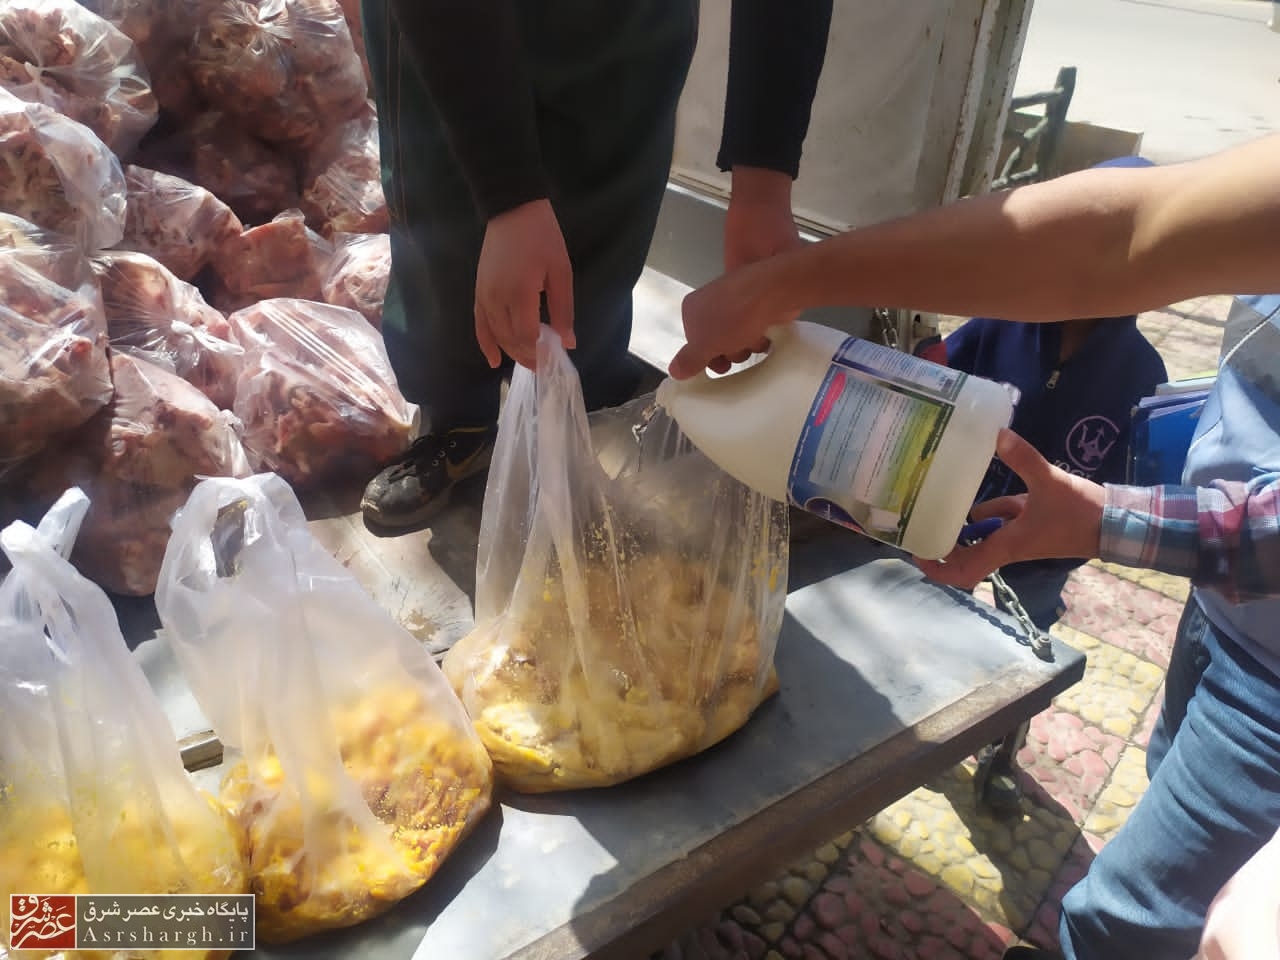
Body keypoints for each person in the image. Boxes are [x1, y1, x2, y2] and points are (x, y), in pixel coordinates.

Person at [668, 135, 1280, 960]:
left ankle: (1003, 751)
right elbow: (1108, 240)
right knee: (1170, 766)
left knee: (1125, 912)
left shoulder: (1137, 367)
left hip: (1078, 567)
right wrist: (819, 306)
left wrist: (1099, 524)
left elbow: (1112, 255)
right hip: (1204, 597)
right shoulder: (1006, 330)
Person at [357, 0, 833, 528]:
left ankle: (584, 411)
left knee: (608, 215)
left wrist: (763, 185)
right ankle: (457, 419)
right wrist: (508, 198)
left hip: (628, 28)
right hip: (450, 21)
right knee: (446, 222)